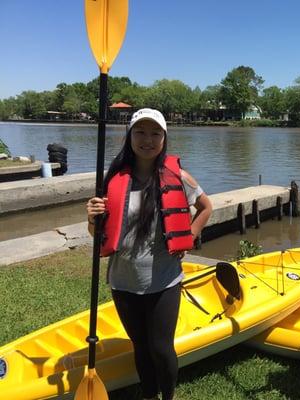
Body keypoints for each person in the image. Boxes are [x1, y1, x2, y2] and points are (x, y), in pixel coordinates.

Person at [86, 108, 212, 400]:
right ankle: (149, 394)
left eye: (155, 133)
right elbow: (98, 235)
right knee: (139, 345)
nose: (148, 139)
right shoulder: (114, 179)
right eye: (140, 132)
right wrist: (92, 219)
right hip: (123, 279)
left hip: (164, 278)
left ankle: (168, 396)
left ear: (164, 138)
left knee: (160, 347)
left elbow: (206, 207)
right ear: (129, 135)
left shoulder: (178, 176)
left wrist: (189, 237)